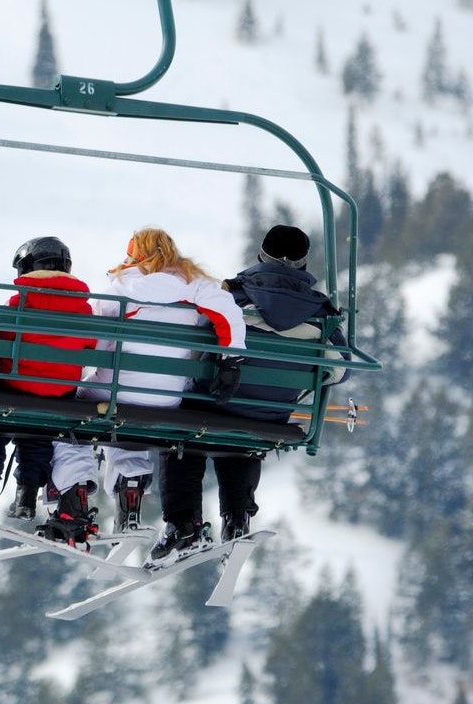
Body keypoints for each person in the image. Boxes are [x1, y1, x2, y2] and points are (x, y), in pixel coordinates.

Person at [149, 224, 352, 563]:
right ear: (303, 263)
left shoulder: (232, 299)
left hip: (212, 405)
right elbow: (341, 370)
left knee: (182, 435)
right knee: (243, 440)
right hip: (270, 414)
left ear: (261, 256)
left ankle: (184, 523)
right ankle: (237, 518)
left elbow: (194, 344)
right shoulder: (322, 316)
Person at [43, 227, 247, 544]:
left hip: (114, 393)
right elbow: (229, 313)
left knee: (72, 414)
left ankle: (74, 497)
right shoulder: (196, 286)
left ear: (133, 256)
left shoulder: (120, 289)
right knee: (126, 420)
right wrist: (231, 360)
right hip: (167, 398)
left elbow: (96, 347)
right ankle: (130, 498)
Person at [0, 236, 96, 519]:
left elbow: (0, 352)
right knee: (39, 434)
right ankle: (27, 494)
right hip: (59, 395)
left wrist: (7, 367)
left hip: (14, 388)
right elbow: (89, 349)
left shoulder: (20, 301)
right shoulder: (84, 308)